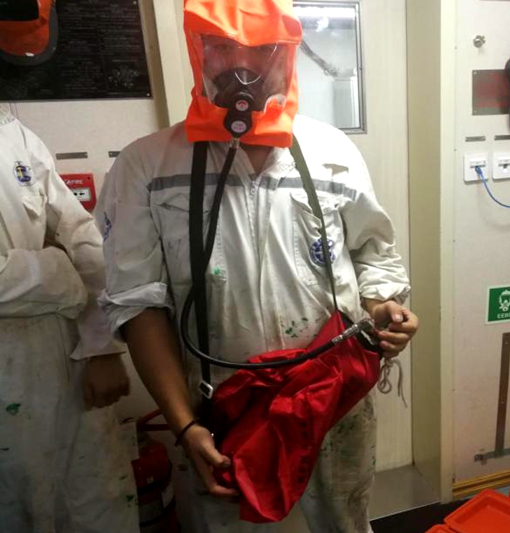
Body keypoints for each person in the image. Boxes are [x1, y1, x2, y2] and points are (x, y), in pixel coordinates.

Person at [96, 1, 417, 532]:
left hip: (332, 400)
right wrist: (185, 428)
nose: (240, 64)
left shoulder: (332, 150)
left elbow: (372, 251)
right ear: (198, 50)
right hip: (224, 410)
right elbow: (137, 303)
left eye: (262, 48)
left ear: (287, 54)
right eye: (222, 46)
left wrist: (384, 305)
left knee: (343, 522)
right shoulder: (147, 165)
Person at [0, 104, 137, 533]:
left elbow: (81, 236)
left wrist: (102, 345)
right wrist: (59, 273)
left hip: (65, 362)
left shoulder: (15, 134)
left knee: (97, 504)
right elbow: (68, 264)